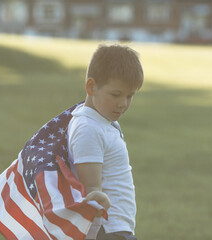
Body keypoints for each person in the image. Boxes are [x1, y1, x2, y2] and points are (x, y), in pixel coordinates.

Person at [68, 44, 144, 240]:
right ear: (91, 86)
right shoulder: (88, 128)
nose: (123, 103)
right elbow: (91, 188)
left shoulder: (101, 122)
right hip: (107, 229)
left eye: (130, 96)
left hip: (117, 227)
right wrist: (96, 196)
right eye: (116, 95)